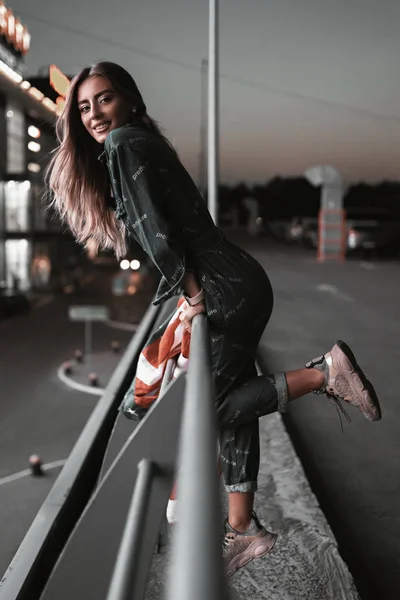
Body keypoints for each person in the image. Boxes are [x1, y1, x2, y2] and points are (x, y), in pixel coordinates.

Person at [46, 61, 382, 578]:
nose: (94, 114)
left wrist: (190, 290)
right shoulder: (139, 141)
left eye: (105, 100)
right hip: (236, 279)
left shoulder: (123, 145)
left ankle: (323, 374)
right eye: (85, 106)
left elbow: (155, 232)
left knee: (204, 408)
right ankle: (244, 527)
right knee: (233, 405)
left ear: (130, 100)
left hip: (221, 287)